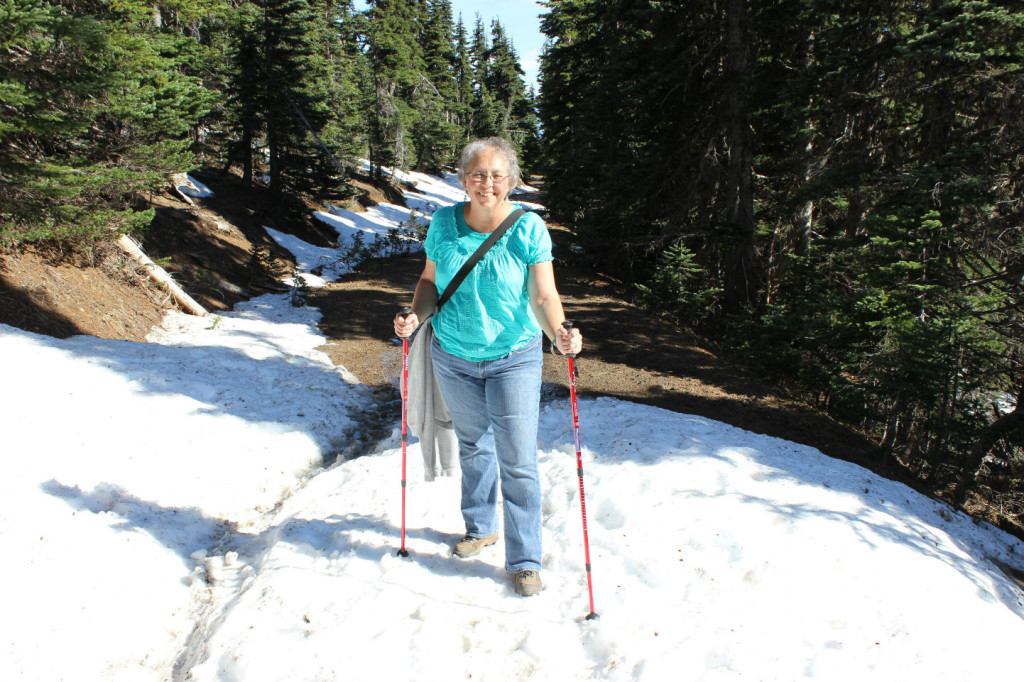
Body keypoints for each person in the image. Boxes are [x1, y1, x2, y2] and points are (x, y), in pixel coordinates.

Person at [393, 137, 582, 597]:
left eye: (497, 175)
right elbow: (429, 281)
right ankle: (480, 528)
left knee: (517, 459)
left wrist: (559, 332)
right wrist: (416, 314)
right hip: (453, 355)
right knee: (474, 445)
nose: (487, 183)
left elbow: (543, 295)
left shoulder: (528, 228)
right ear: (462, 180)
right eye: (478, 174)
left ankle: (524, 560)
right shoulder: (443, 222)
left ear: (511, 181)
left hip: (513, 357)